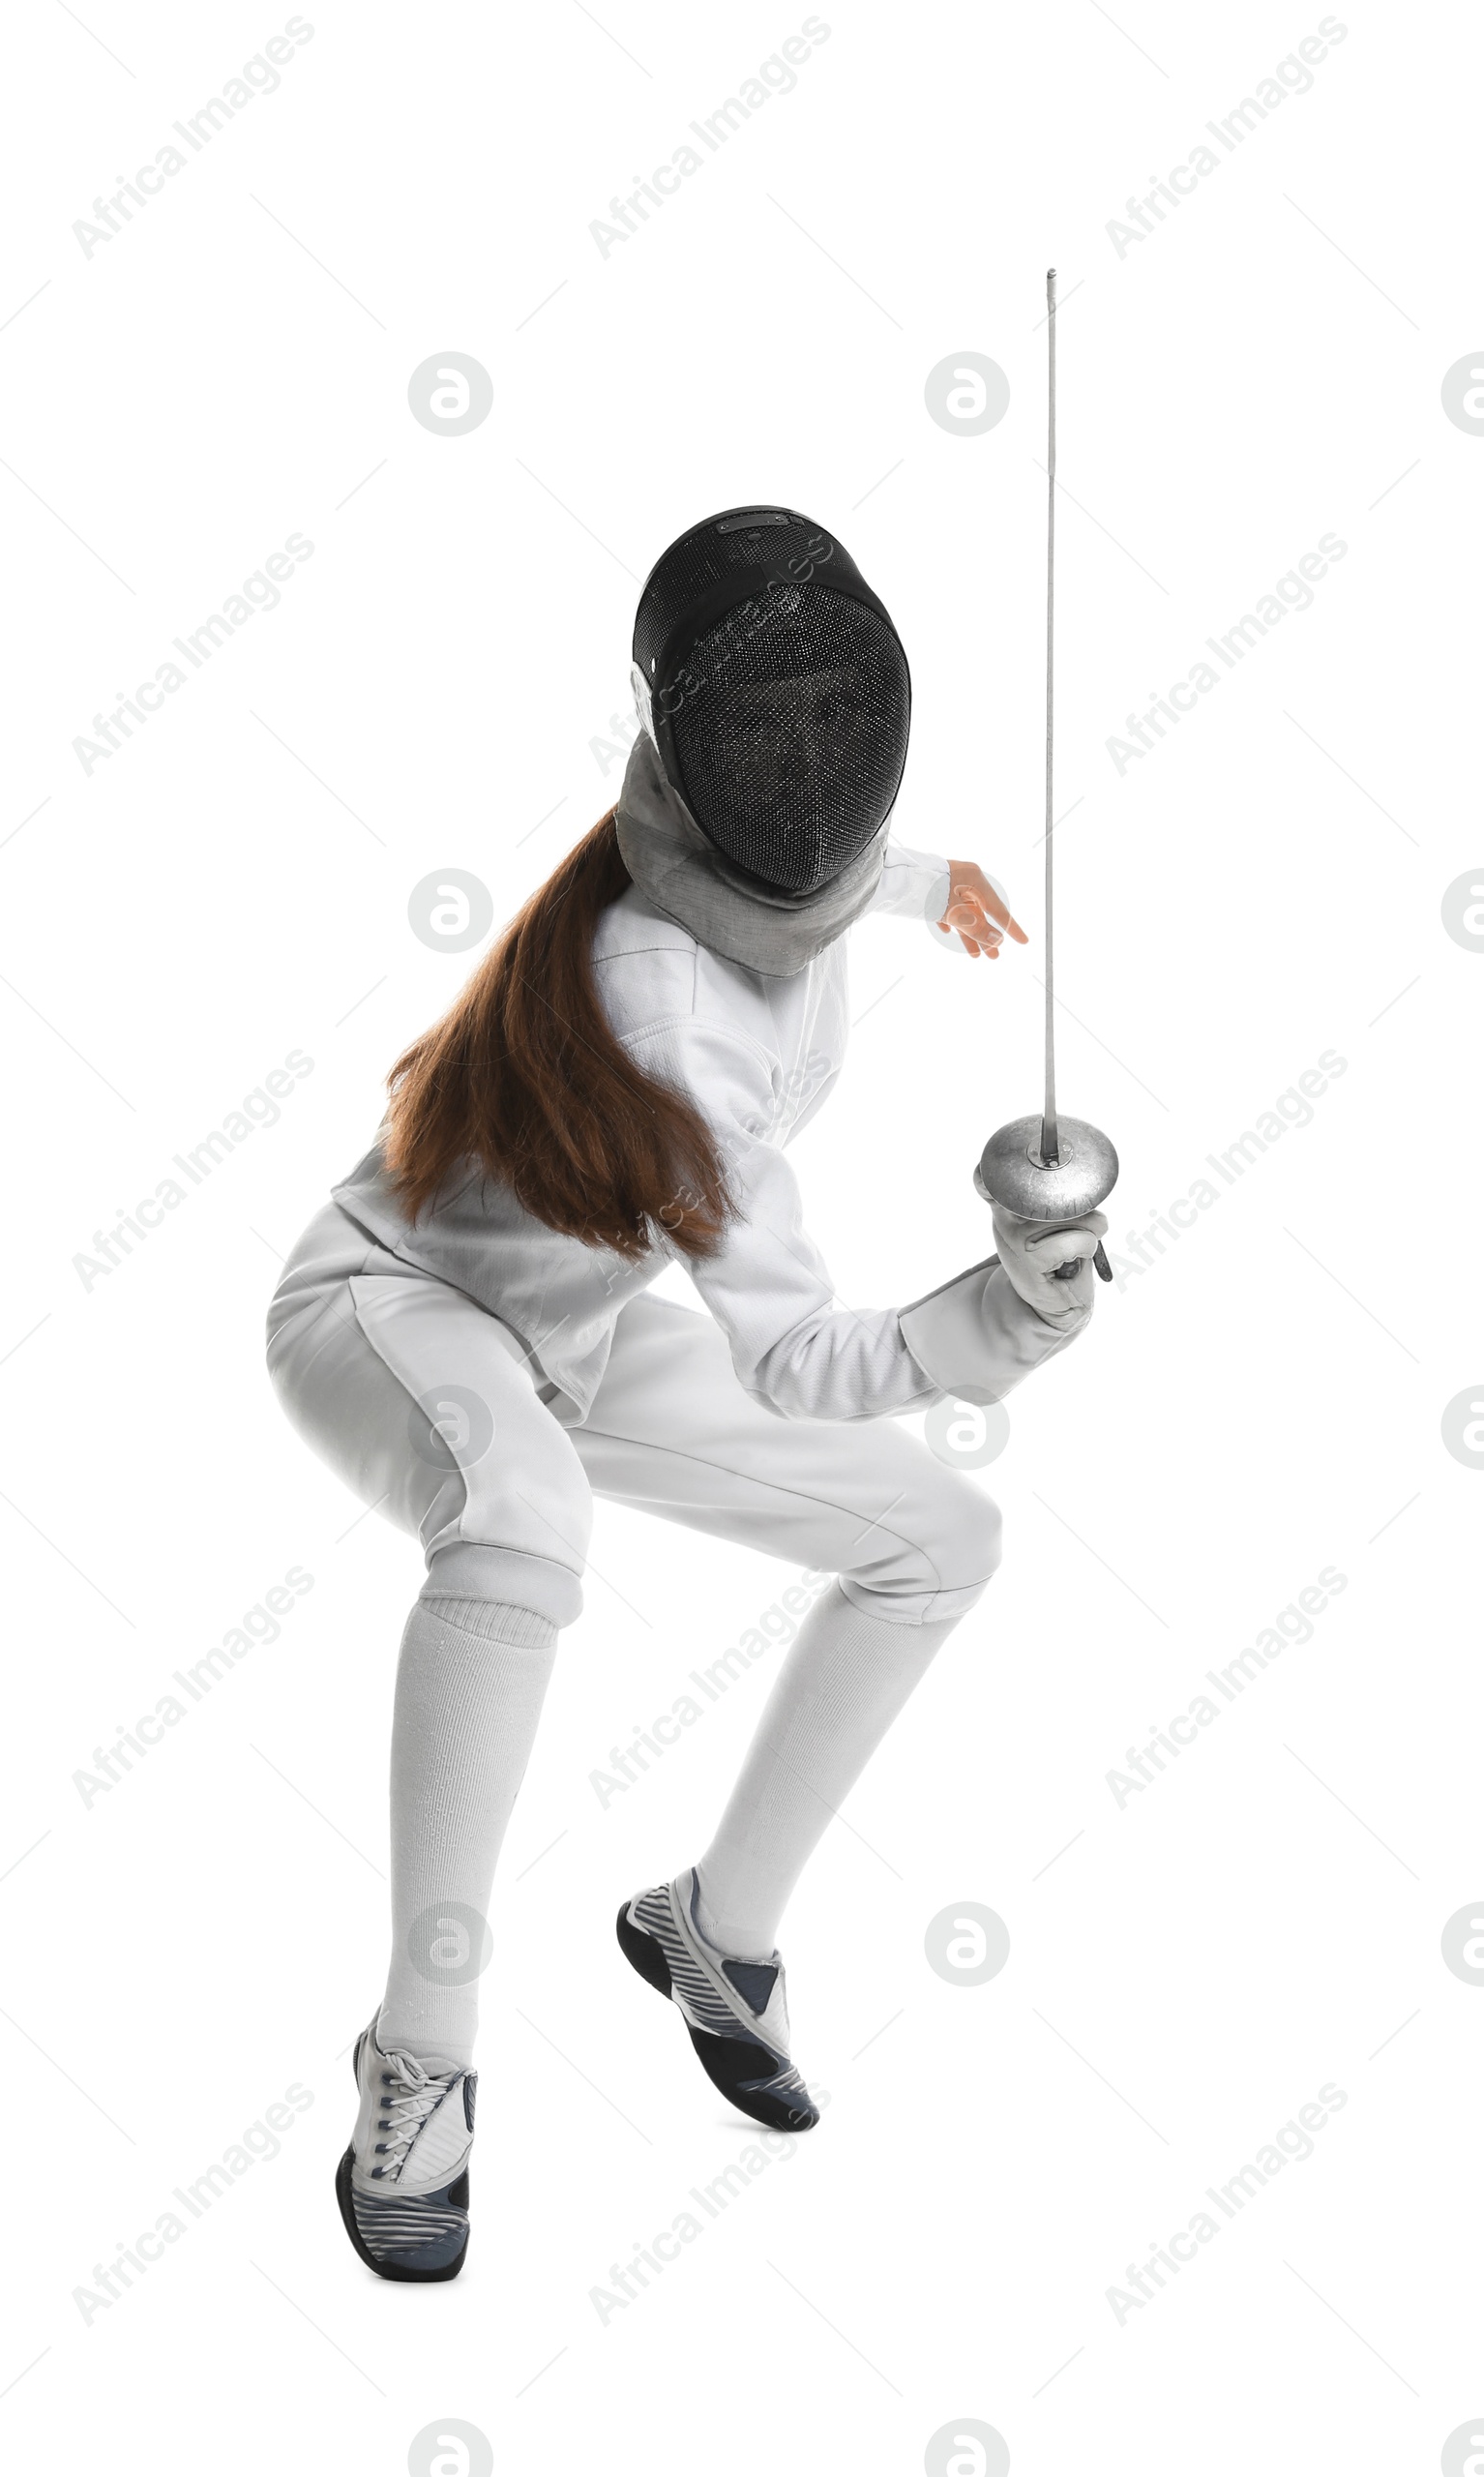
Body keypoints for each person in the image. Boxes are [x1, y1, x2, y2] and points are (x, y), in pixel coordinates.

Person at [265, 505, 1107, 2283]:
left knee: (940, 1534)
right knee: (521, 1519)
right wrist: (1000, 1323)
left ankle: (717, 1929)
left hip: (560, 1330)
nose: (809, 764)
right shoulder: (663, 1010)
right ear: (680, 764)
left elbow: (832, 874)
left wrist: (931, 877)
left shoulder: (787, 856)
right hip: (394, 1306)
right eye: (777, 727)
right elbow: (800, 1359)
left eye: (832, 726)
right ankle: (421, 2061)